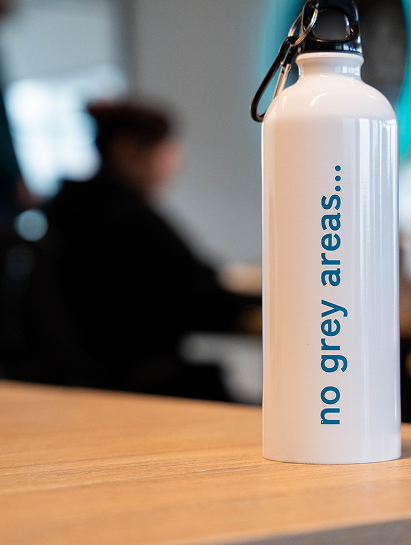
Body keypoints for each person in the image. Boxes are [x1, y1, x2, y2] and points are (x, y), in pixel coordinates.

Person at [7, 101, 258, 400]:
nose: (174, 160)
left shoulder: (69, 211)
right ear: (126, 149)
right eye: (165, 148)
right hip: (142, 389)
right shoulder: (126, 217)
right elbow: (201, 296)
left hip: (91, 386)